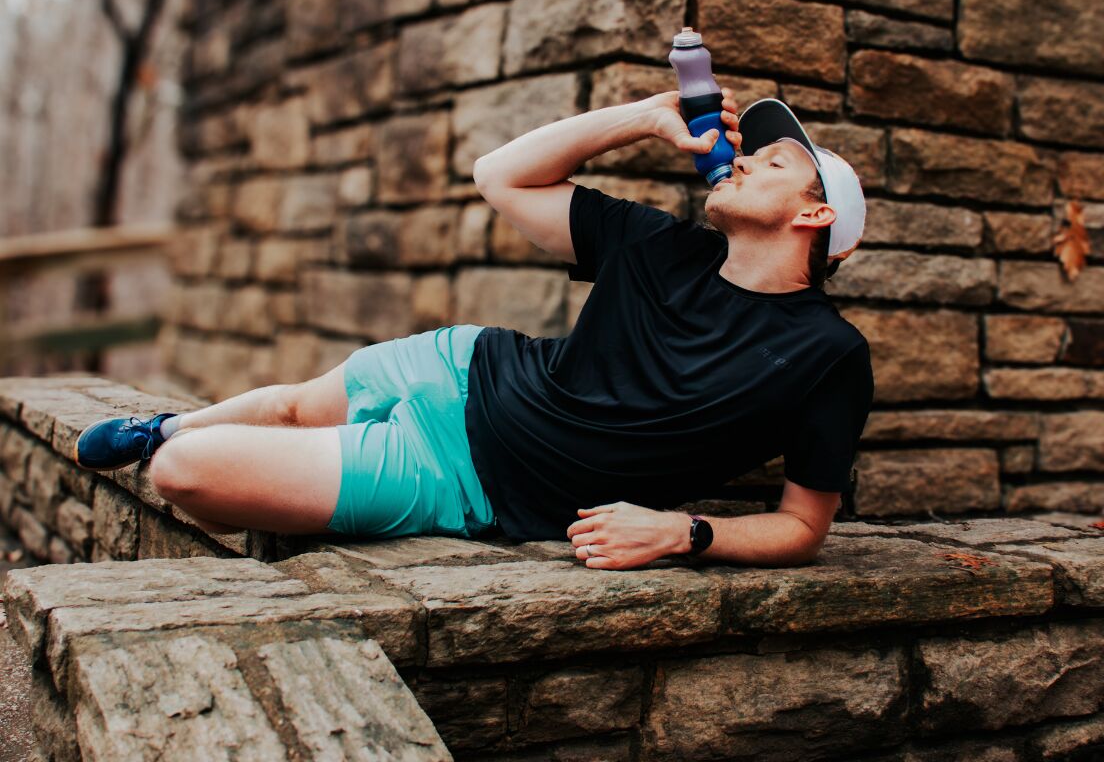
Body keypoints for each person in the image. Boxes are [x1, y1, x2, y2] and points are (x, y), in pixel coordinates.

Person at [75, 88, 873, 570]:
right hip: (461, 364)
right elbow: (499, 175)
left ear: (814, 215)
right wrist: (642, 118)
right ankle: (162, 424)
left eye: (772, 165)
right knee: (285, 405)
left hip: (464, 477)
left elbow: (804, 526)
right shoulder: (658, 244)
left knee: (188, 476)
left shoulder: (827, 356)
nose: (739, 161)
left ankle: (175, 444)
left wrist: (683, 532)